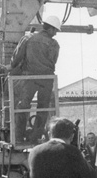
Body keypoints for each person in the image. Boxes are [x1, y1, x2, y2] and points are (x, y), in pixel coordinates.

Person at [10, 15, 62, 143]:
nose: (55, 33)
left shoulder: (28, 38)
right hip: (47, 79)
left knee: (23, 106)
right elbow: (53, 61)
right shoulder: (54, 44)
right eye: (55, 30)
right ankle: (35, 135)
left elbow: (15, 60)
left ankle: (18, 136)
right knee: (43, 107)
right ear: (49, 29)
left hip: (30, 78)